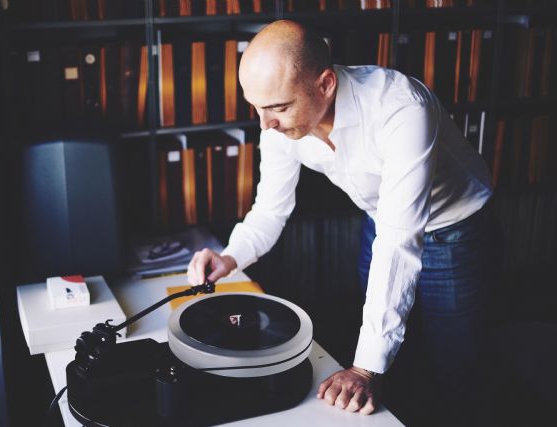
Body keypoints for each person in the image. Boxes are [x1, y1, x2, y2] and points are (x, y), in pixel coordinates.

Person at [187, 20, 494, 425]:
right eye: (256, 108)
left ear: (326, 85)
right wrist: (230, 257)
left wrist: (363, 368)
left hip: (457, 230)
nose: (265, 124)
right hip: (380, 223)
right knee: (396, 367)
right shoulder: (277, 121)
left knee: (455, 371)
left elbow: (399, 242)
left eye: (278, 108)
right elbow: (270, 209)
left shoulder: (402, 109)